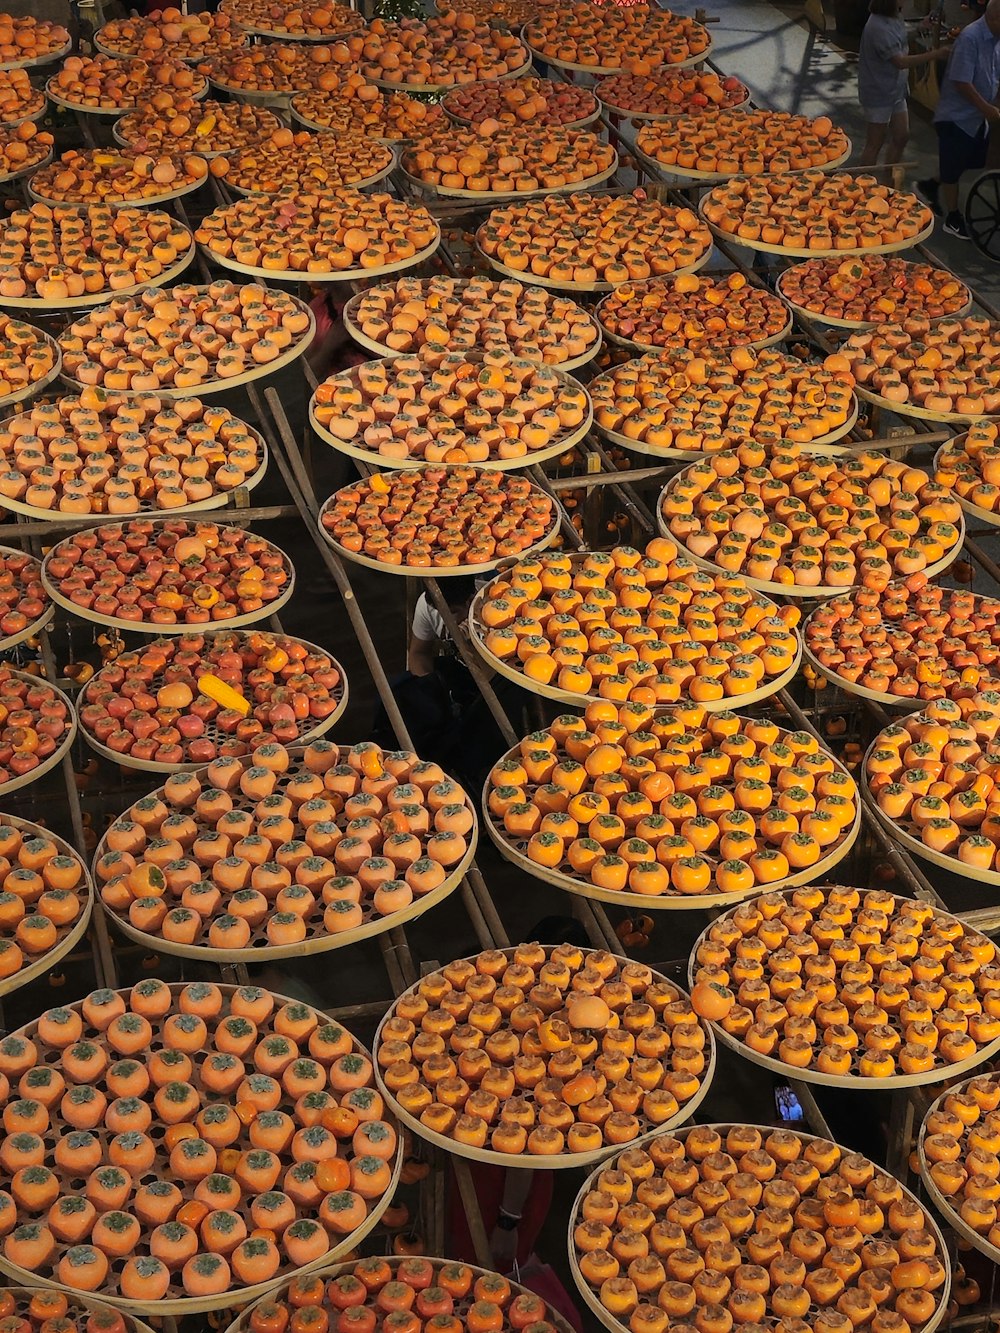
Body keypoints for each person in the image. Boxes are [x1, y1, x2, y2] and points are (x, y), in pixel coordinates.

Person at [918, 0, 1000, 239]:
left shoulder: (996, 39)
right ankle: (953, 219)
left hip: (977, 117)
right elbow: (961, 82)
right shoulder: (970, 38)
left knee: (973, 161)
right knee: (953, 167)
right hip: (957, 116)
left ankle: (930, 185)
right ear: (994, 18)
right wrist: (986, 108)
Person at [858, 0, 951, 180]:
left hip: (896, 90)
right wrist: (935, 54)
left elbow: (898, 39)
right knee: (874, 143)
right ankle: (862, 186)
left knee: (901, 136)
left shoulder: (895, 16)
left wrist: (920, 27)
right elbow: (900, 61)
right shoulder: (878, 27)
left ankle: (888, 181)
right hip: (879, 92)